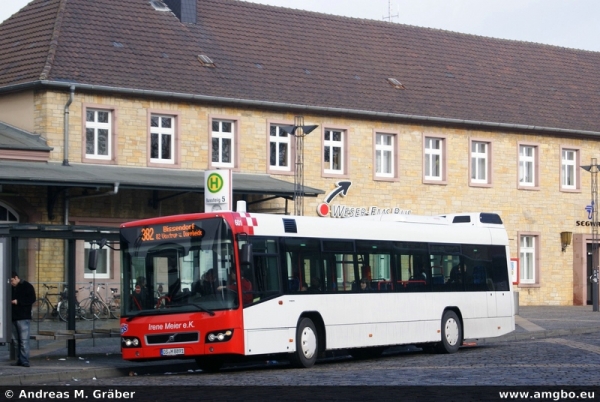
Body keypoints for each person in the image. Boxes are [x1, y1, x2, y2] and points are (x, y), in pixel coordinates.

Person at [10, 271, 36, 367]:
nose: (11, 283)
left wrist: (18, 302)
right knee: (16, 341)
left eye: (12, 280)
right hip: (13, 317)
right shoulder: (11, 288)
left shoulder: (27, 286)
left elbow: (32, 299)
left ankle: (24, 359)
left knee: (24, 340)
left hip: (23, 316)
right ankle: (19, 359)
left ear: (16, 278)